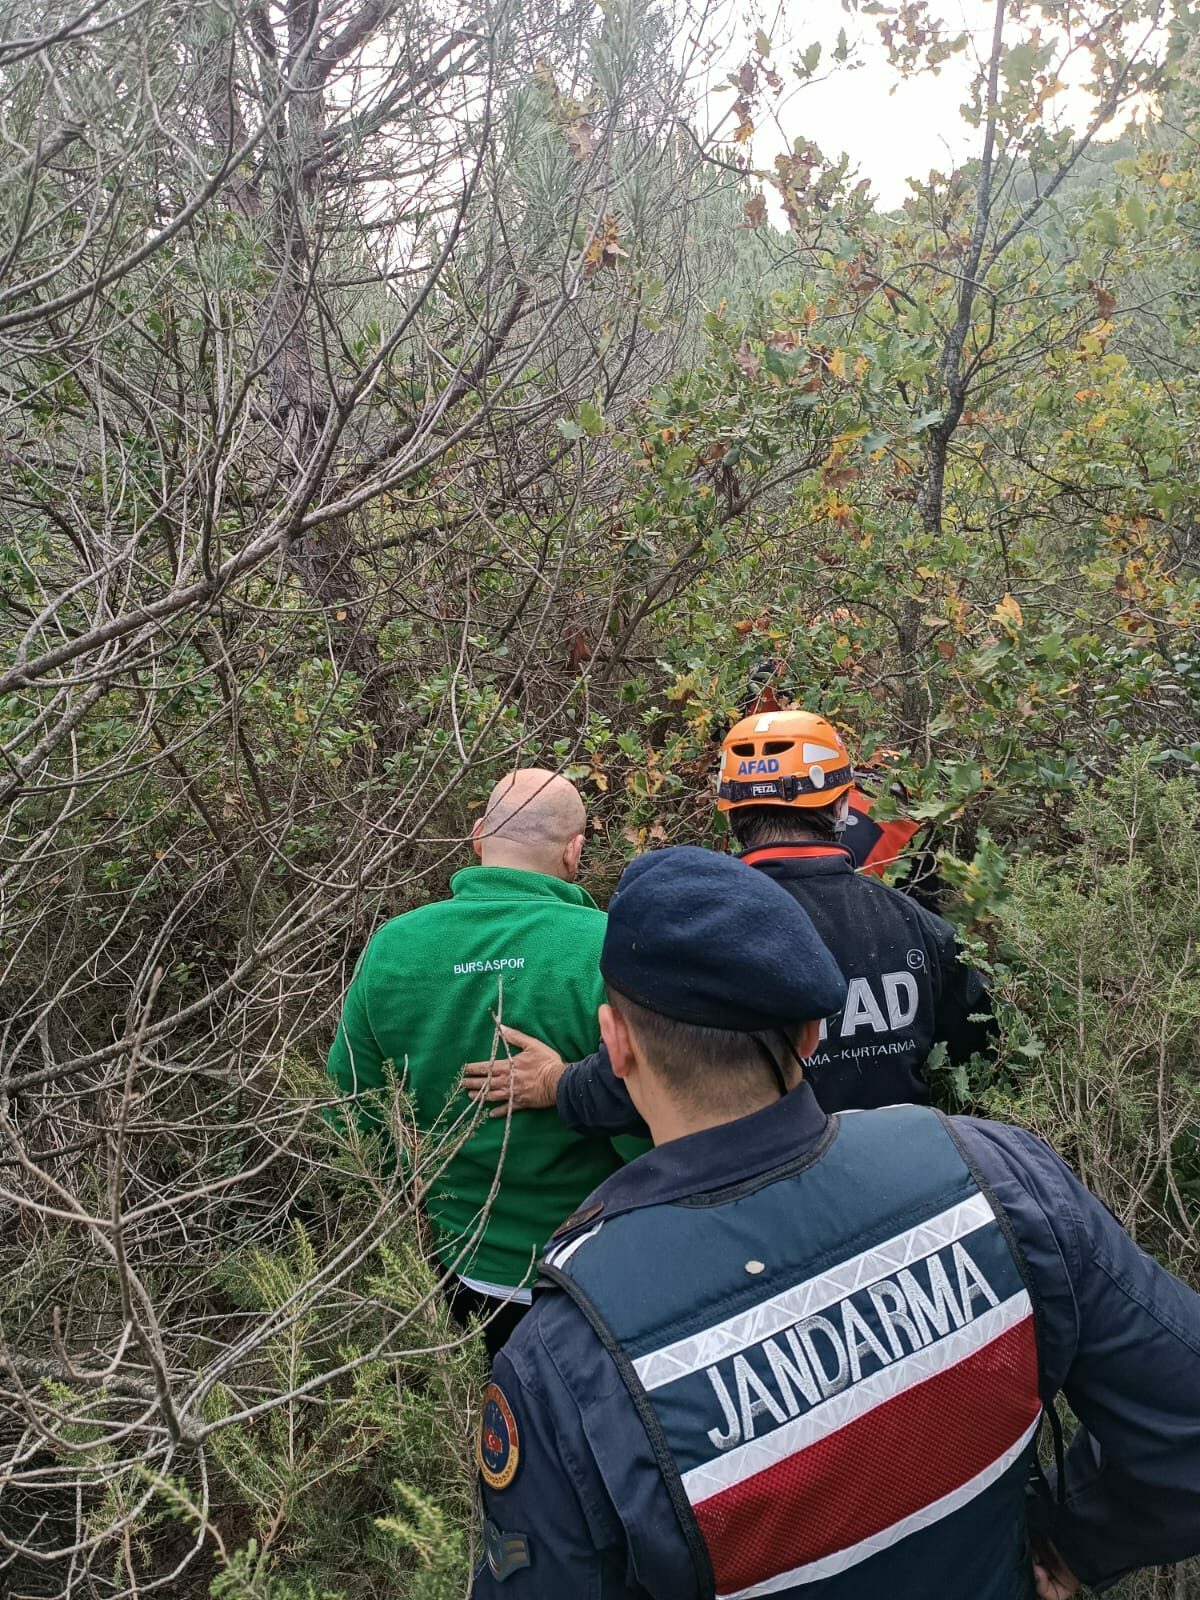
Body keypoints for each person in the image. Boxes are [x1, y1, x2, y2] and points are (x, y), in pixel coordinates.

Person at [471, 847, 1200, 1599]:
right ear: (812, 1036)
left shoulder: (568, 1356)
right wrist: (1074, 1541)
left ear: (616, 1042)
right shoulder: (1000, 1176)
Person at [463, 710, 992, 1128]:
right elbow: (980, 1046)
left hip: (762, 1196)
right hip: (898, 1182)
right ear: (840, 808)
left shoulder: (700, 927)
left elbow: (646, 1079)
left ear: (732, 813)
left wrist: (556, 1082)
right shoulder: (915, 925)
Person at [326, 768, 626, 1358]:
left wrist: (412, 1202)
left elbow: (352, 1108)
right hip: (597, 1272)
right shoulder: (607, 946)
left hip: (462, 1268)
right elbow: (654, 1110)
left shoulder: (392, 947)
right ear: (574, 850)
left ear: (479, 835)